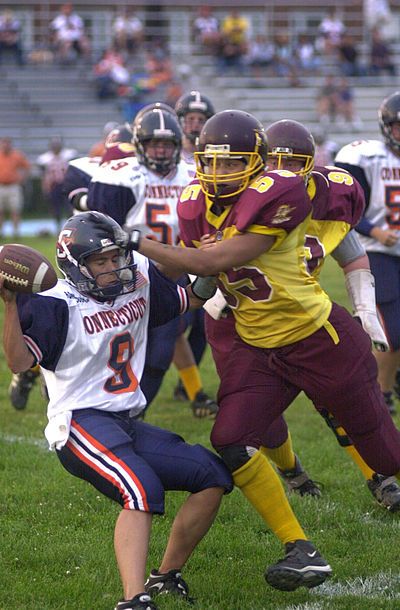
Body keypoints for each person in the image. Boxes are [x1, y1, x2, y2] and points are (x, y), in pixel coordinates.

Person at [132, 110, 400, 586]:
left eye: (233, 163)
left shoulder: (283, 192)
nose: (219, 174)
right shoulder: (195, 201)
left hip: (321, 341)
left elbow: (215, 257)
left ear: (257, 163)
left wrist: (137, 241)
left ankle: (378, 472)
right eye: (211, 163)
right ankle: (300, 548)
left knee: (386, 456)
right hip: (259, 347)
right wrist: (147, 304)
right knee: (231, 438)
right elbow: (203, 277)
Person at [0, 211, 233, 610]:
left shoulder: (135, 278)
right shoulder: (53, 303)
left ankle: (165, 575)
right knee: (140, 487)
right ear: (75, 263)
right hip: (78, 421)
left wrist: (213, 264)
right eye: (101, 262)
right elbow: (20, 363)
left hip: (125, 421)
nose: (113, 268)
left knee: (211, 475)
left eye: (116, 258)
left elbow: (192, 298)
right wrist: (8, 305)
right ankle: (133, 599)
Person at [75, 108, 216, 418]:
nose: (161, 151)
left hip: (175, 268)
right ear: (140, 144)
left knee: (161, 349)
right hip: (127, 269)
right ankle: (70, 391)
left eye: (166, 144)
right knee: (107, 342)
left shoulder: (192, 173)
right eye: (154, 144)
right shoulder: (120, 173)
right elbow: (101, 229)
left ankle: (136, 413)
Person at [8, 124, 136, 412]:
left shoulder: (142, 174)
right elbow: (82, 199)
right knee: (68, 328)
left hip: (119, 256)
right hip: (86, 254)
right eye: (122, 156)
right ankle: (36, 371)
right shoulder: (86, 168)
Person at [335, 91, 400, 417]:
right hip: (377, 252)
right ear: (386, 127)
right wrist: (376, 231)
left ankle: (388, 380)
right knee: (391, 330)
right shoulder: (365, 156)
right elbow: (347, 208)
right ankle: (381, 395)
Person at [173, 91, 218, 412]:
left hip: (200, 249)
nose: (194, 125)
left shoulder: (214, 159)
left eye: (200, 120)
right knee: (172, 322)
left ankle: (186, 385)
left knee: (204, 321)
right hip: (167, 252)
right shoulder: (164, 156)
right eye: (189, 119)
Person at [36, 137, 78, 233]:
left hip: (67, 184)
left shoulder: (69, 155)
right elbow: (44, 175)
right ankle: (58, 228)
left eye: (57, 145)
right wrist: (45, 187)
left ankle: (70, 227)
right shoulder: (45, 158)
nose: (56, 147)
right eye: (54, 145)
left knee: (69, 208)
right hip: (54, 186)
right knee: (56, 209)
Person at [0, 137, 30, 237]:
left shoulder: (17, 155)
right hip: (1, 186)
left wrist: (22, 179)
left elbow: (27, 167)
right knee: (0, 211)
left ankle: (16, 232)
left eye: (7, 143)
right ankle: (1, 232)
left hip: (13, 186)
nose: (5, 145)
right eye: (4, 143)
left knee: (15, 210)